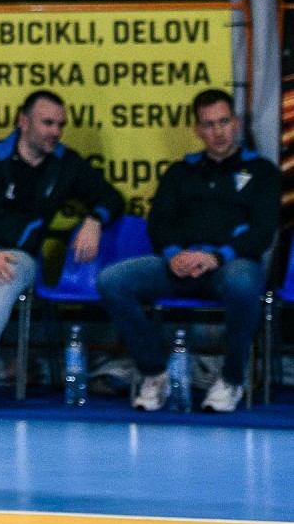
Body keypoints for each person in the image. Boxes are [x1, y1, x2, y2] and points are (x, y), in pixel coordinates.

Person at [0, 90, 123, 407]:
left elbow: (112, 198)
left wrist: (95, 219)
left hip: (17, 254)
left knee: (5, 275)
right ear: (24, 122)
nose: (55, 132)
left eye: (60, 125)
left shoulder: (66, 164)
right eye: (47, 123)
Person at [97, 89, 277, 412]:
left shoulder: (262, 172)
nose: (218, 132)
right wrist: (173, 255)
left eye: (224, 122)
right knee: (111, 280)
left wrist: (216, 257)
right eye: (208, 124)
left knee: (244, 282)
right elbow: (158, 224)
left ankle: (232, 379)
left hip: (229, 266)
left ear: (236, 124)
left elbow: (263, 232)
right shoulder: (180, 172)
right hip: (179, 266)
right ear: (197, 130)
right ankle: (155, 373)